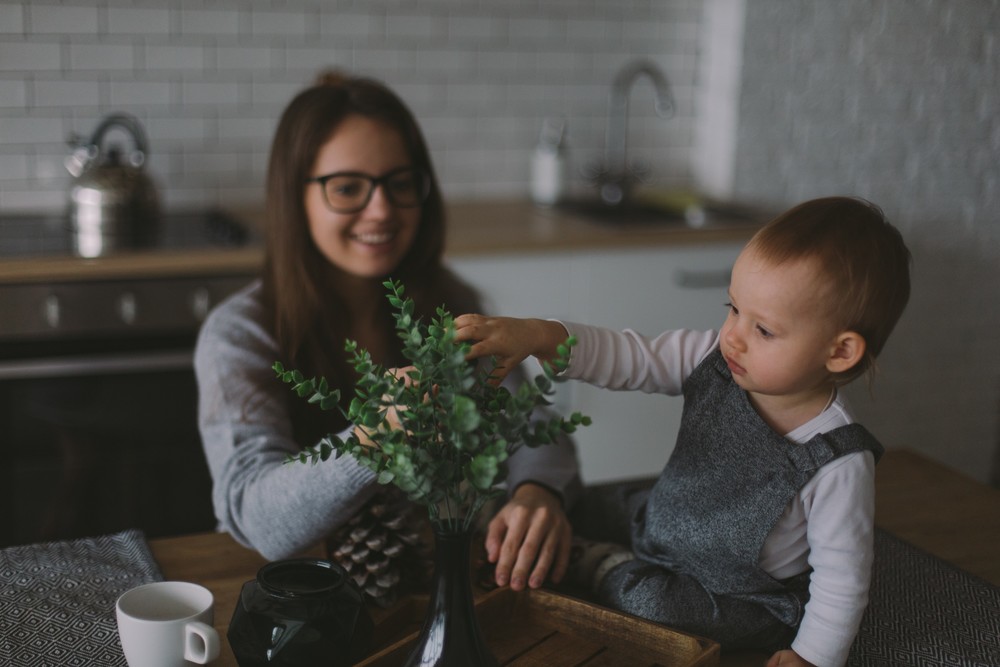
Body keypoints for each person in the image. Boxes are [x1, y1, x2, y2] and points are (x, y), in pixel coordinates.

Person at [454, 197, 912, 667]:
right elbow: (630, 357)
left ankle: (599, 565)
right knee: (574, 500)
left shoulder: (838, 458)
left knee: (656, 607)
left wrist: (812, 656)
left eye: (764, 330)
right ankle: (596, 546)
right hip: (659, 518)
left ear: (839, 352)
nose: (732, 335)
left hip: (733, 593)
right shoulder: (713, 359)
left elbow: (843, 579)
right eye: (733, 308)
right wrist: (539, 334)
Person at [194, 69, 581, 593]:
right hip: (286, 604)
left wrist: (538, 493)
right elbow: (260, 519)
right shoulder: (237, 335)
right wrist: (374, 437)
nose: (382, 210)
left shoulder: (450, 305)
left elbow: (532, 425)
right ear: (294, 197)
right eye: (348, 187)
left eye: (400, 184)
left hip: (423, 590)